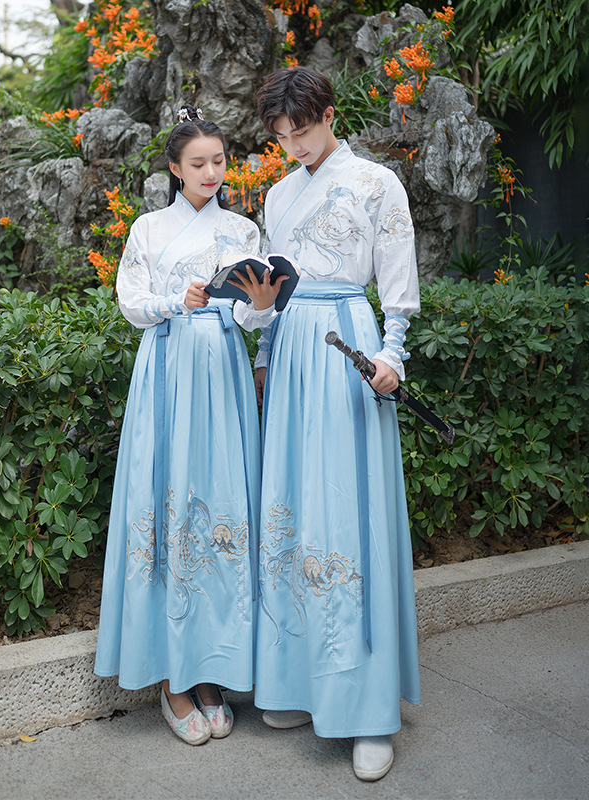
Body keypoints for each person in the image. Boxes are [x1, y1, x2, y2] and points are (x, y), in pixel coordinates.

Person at [238, 66, 422, 781]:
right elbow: (273, 288)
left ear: (330, 115)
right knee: (292, 508)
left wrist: (392, 356)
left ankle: (368, 710)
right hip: (290, 354)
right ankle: (297, 683)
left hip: (348, 345)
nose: (294, 147)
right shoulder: (279, 195)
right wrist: (262, 352)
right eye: (282, 137)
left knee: (350, 515)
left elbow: (397, 284)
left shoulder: (378, 183)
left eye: (303, 131)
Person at [94, 105, 285, 746]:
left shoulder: (242, 229)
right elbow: (130, 303)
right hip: (169, 373)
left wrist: (260, 307)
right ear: (175, 169)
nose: (210, 172)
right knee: (169, 506)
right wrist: (177, 301)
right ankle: (174, 679)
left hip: (224, 375)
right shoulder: (149, 229)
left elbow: (252, 318)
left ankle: (210, 672)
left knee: (222, 507)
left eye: (219, 161)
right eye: (197, 163)